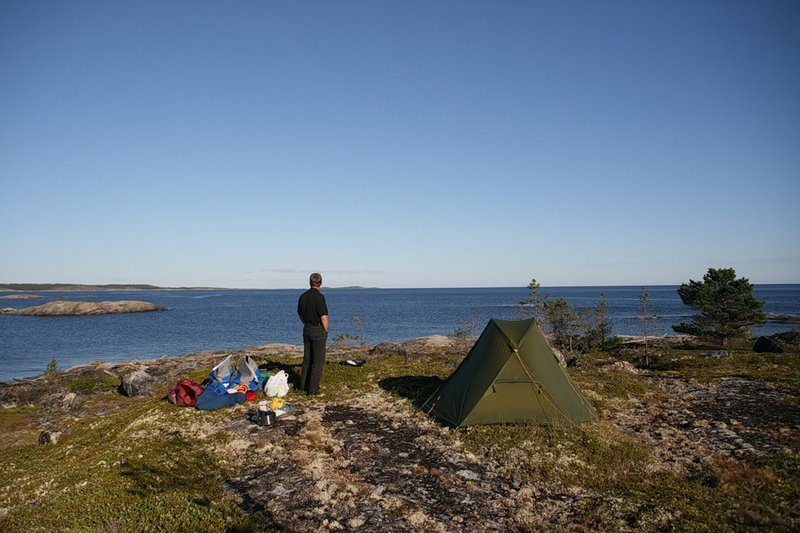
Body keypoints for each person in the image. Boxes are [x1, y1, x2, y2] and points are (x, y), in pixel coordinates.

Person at [297, 272, 329, 395]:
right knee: (318, 360)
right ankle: (313, 389)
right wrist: (325, 329)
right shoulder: (319, 297)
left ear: (310, 282)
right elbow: (323, 316)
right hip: (317, 329)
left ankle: (303, 385)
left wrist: (305, 322)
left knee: (307, 359)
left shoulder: (303, 296)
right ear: (320, 282)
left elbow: (300, 313)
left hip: (307, 328)